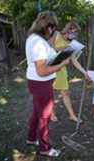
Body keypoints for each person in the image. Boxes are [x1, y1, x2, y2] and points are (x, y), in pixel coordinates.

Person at [25, 11, 68, 157]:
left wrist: (59, 54)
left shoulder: (35, 38)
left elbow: (45, 58)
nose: (53, 31)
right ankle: (45, 148)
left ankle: (31, 138)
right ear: (48, 26)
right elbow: (42, 71)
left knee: (37, 113)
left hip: (37, 82)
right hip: (40, 82)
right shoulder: (38, 42)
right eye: (53, 28)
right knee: (45, 116)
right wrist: (61, 64)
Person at [51, 21, 89, 123]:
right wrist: (62, 48)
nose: (75, 35)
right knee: (50, 92)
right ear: (69, 29)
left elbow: (74, 60)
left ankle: (72, 115)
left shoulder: (71, 44)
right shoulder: (56, 34)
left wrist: (84, 72)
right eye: (74, 32)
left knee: (65, 93)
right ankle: (52, 112)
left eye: (76, 33)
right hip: (49, 68)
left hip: (61, 70)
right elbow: (48, 47)